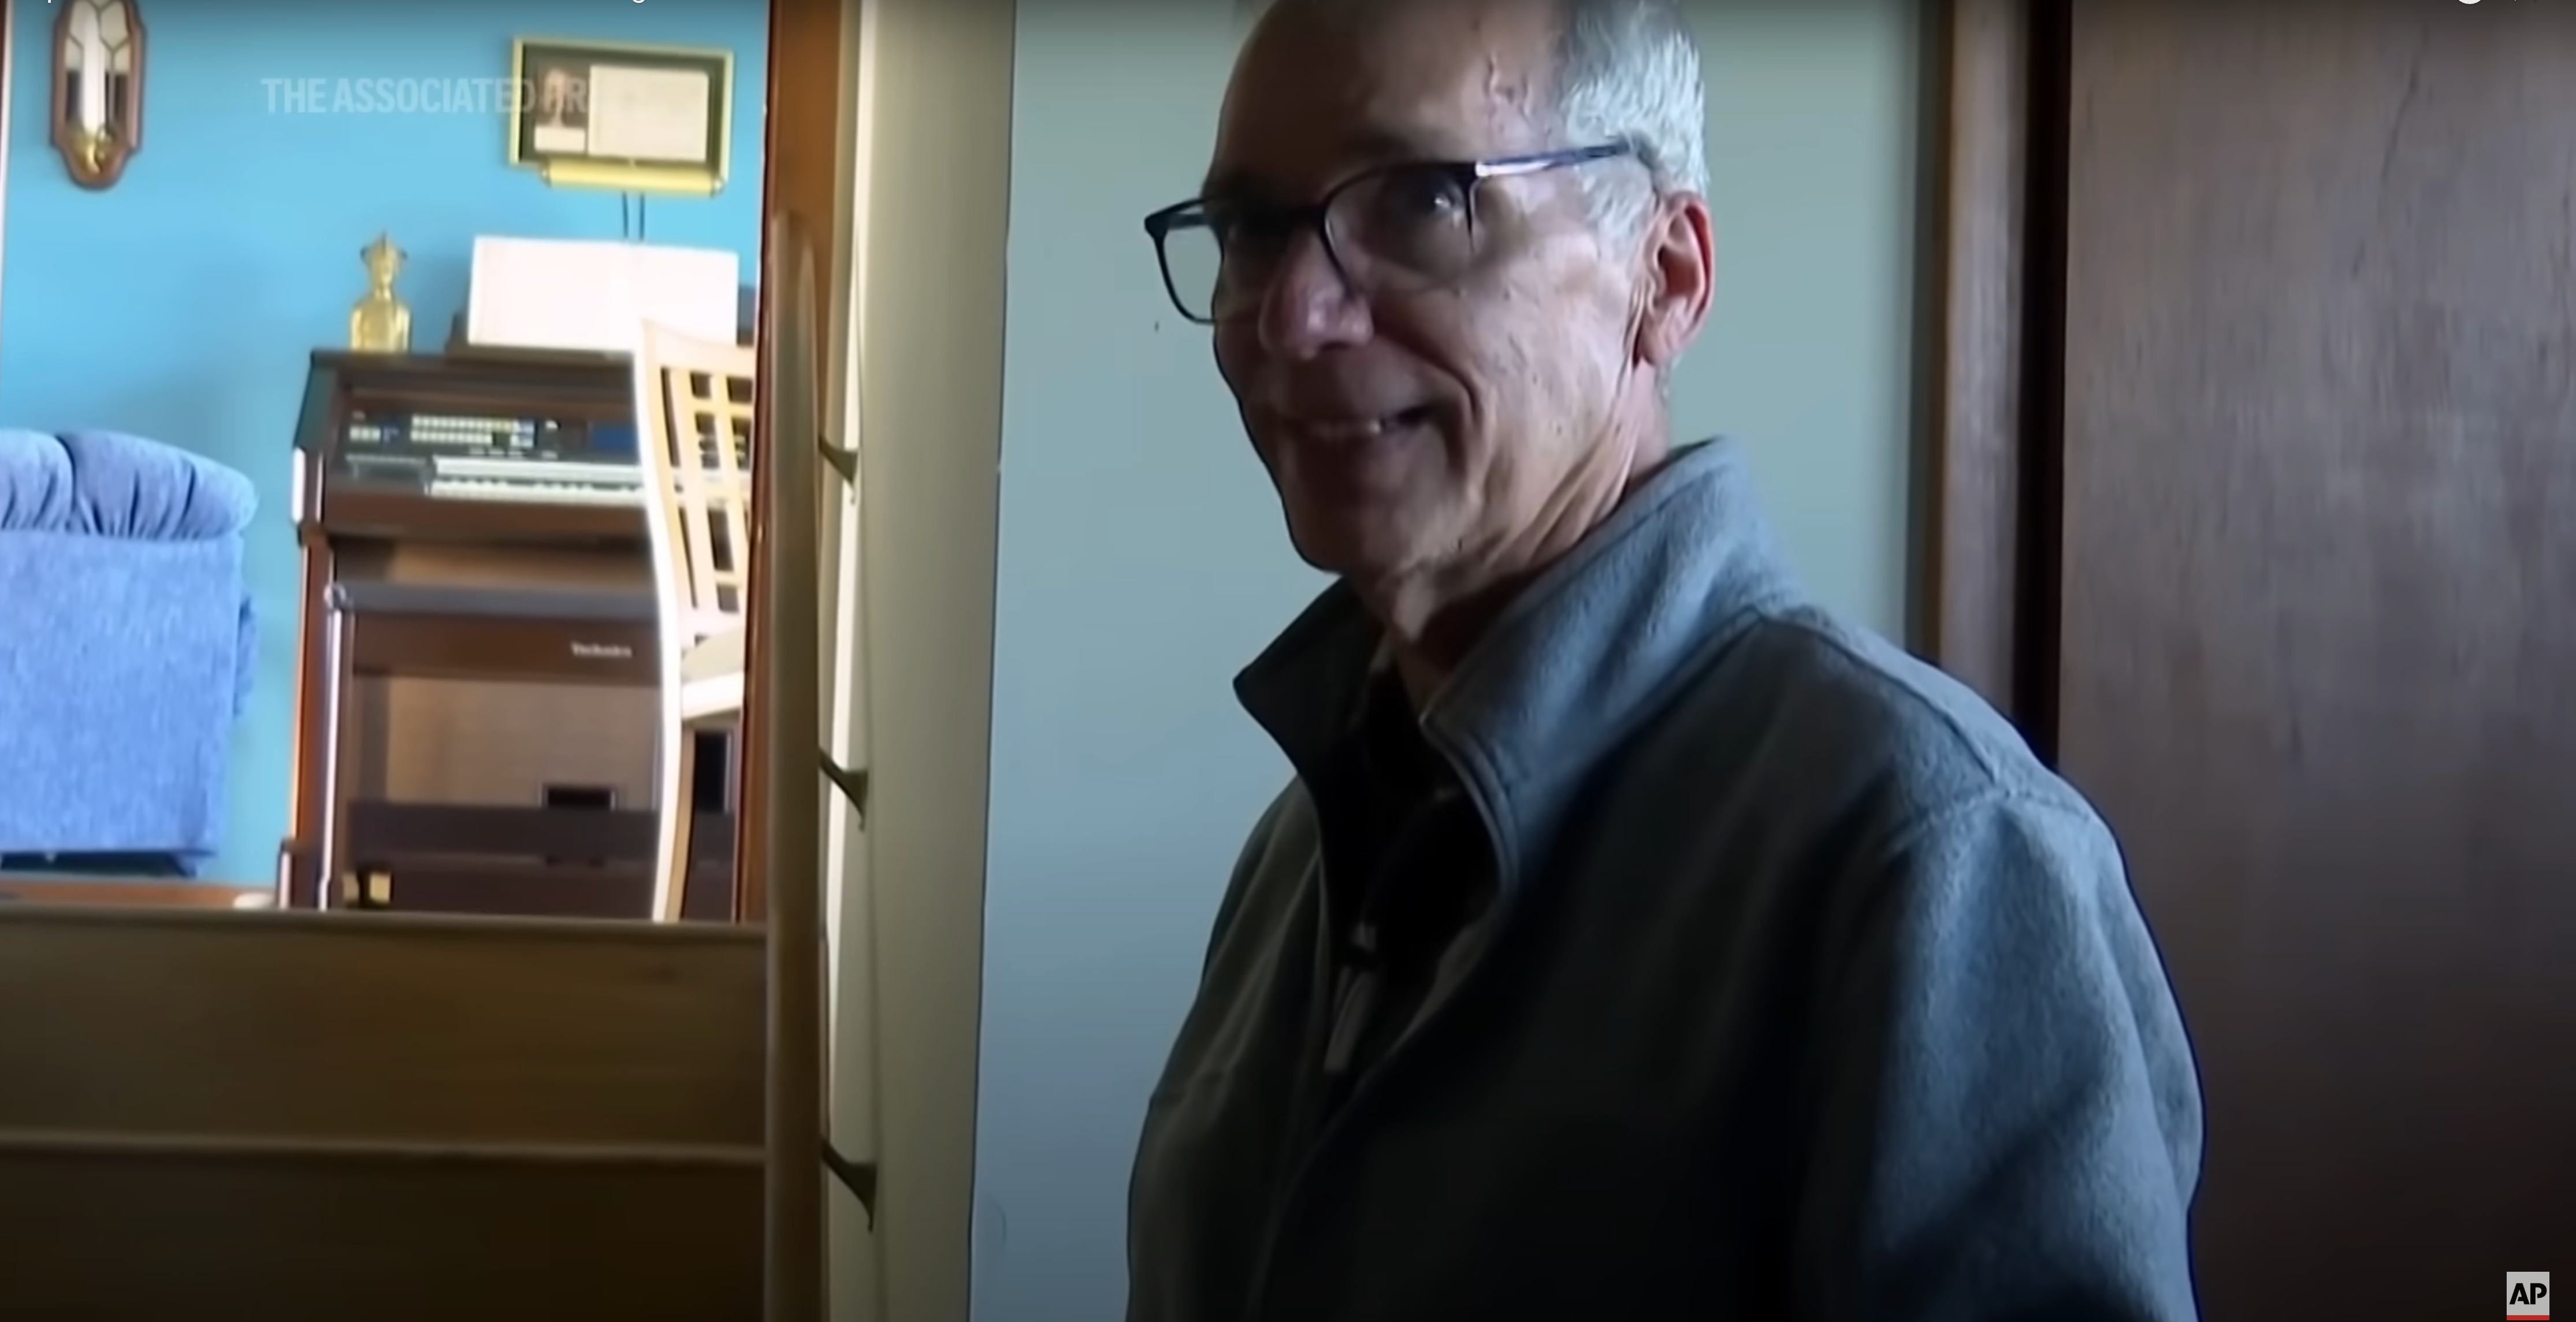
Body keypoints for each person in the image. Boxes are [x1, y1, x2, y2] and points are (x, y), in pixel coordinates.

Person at [1127, 0, 2205, 1319]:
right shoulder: (1301, 847)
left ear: (1665, 277)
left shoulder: (1932, 852)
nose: (1291, 317)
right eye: (1249, 229)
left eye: (1419, 204)